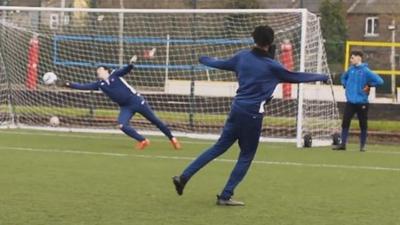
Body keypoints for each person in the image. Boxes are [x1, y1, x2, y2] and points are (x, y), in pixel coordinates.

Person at [172, 25, 329, 206]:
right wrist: (321, 76)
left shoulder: (242, 57)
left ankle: (184, 176)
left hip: (236, 109)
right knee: (246, 155)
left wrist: (203, 58)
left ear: (253, 39)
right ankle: (225, 195)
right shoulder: (273, 67)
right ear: (270, 43)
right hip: (252, 115)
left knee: (218, 148)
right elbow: (296, 76)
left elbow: (220, 64)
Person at [59, 55, 181, 150]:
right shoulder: (99, 84)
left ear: (106, 71)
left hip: (136, 101)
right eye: (97, 71)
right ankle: (143, 141)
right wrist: (67, 84)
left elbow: (126, 70)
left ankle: (173, 139)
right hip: (125, 107)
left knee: (155, 121)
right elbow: (82, 86)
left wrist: (131, 64)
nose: (98, 72)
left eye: (100, 70)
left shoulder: (115, 75)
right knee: (122, 125)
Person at [333, 51, 383, 152]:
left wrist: (369, 85)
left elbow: (380, 81)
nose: (351, 60)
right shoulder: (350, 70)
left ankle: (362, 146)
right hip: (350, 101)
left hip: (362, 102)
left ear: (359, 58)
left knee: (363, 124)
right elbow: (343, 77)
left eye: (353, 58)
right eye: (351, 58)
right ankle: (343, 144)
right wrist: (345, 84)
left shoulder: (366, 71)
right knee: (345, 122)